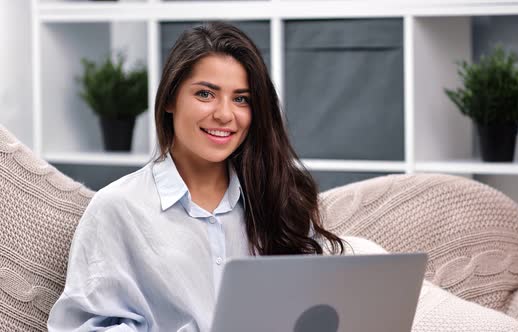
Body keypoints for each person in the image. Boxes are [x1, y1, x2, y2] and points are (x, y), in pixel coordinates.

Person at [47, 22, 344, 331]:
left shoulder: (280, 200)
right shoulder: (118, 209)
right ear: (170, 100)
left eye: (241, 98)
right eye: (206, 94)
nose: (225, 114)